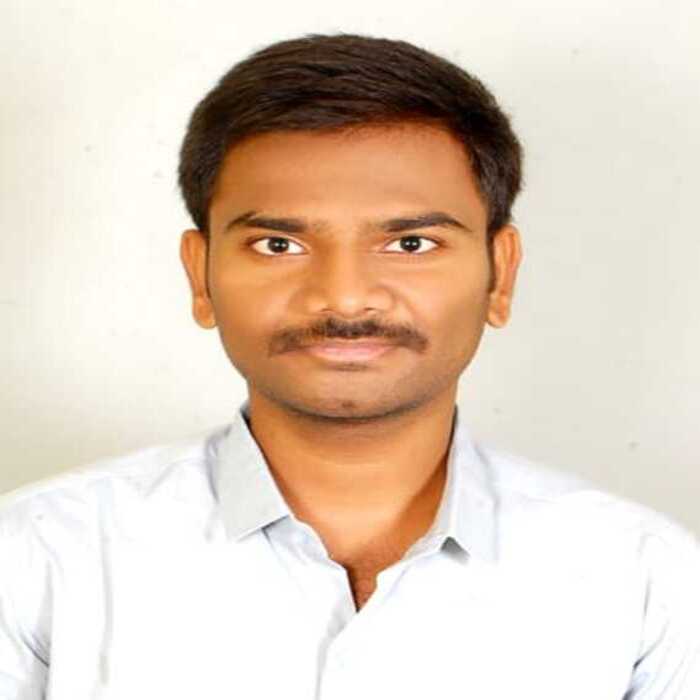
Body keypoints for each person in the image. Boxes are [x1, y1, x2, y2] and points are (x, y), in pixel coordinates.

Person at [1, 32, 698, 700]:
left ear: (501, 273)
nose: (344, 296)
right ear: (200, 274)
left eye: (412, 243)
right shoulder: (34, 559)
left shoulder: (647, 581)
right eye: (278, 245)